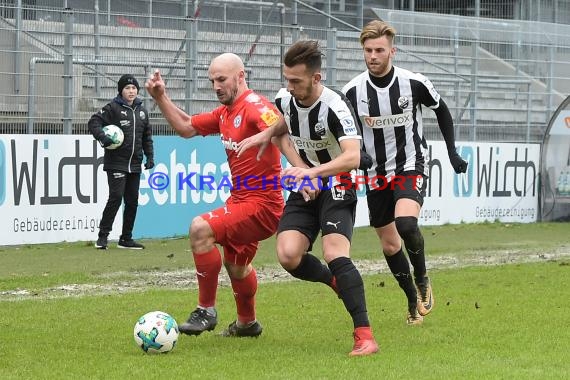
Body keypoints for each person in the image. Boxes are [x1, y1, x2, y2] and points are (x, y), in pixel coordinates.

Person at [237, 40, 379, 356]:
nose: (289, 87)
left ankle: (365, 336)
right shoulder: (285, 98)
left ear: (316, 78)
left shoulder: (335, 106)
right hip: (306, 182)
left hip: (337, 181)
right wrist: (296, 165)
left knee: (334, 252)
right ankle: (336, 282)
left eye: (296, 81)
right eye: (287, 79)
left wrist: (311, 175)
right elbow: (282, 130)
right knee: (288, 255)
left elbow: (353, 157)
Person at [144, 53, 284, 337]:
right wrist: (161, 97)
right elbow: (185, 127)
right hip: (241, 202)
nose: (216, 86)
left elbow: (281, 128)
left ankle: (205, 309)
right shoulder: (224, 114)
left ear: (240, 76)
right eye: (212, 81)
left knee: (200, 228)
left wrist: (302, 170)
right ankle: (247, 324)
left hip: (262, 205)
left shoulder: (256, 106)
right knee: (237, 267)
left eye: (222, 79)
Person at [341, 20, 468, 324]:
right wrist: (359, 157)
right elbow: (349, 134)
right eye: (368, 50)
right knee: (389, 243)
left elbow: (442, 109)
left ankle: (422, 277)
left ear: (392, 51)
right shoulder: (352, 91)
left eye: (379, 50)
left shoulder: (413, 83)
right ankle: (412, 298)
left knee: (406, 223)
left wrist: (451, 152)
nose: (373, 55)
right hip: (376, 174)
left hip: (410, 163)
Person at [88, 74, 154, 250]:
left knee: (132, 201)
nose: (131, 91)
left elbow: (146, 136)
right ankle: (102, 237)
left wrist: (150, 156)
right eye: (127, 88)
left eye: (134, 88)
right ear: (121, 91)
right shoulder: (113, 108)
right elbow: (93, 122)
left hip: (135, 163)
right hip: (116, 162)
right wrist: (103, 137)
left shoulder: (142, 111)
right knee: (116, 198)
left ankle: (126, 238)